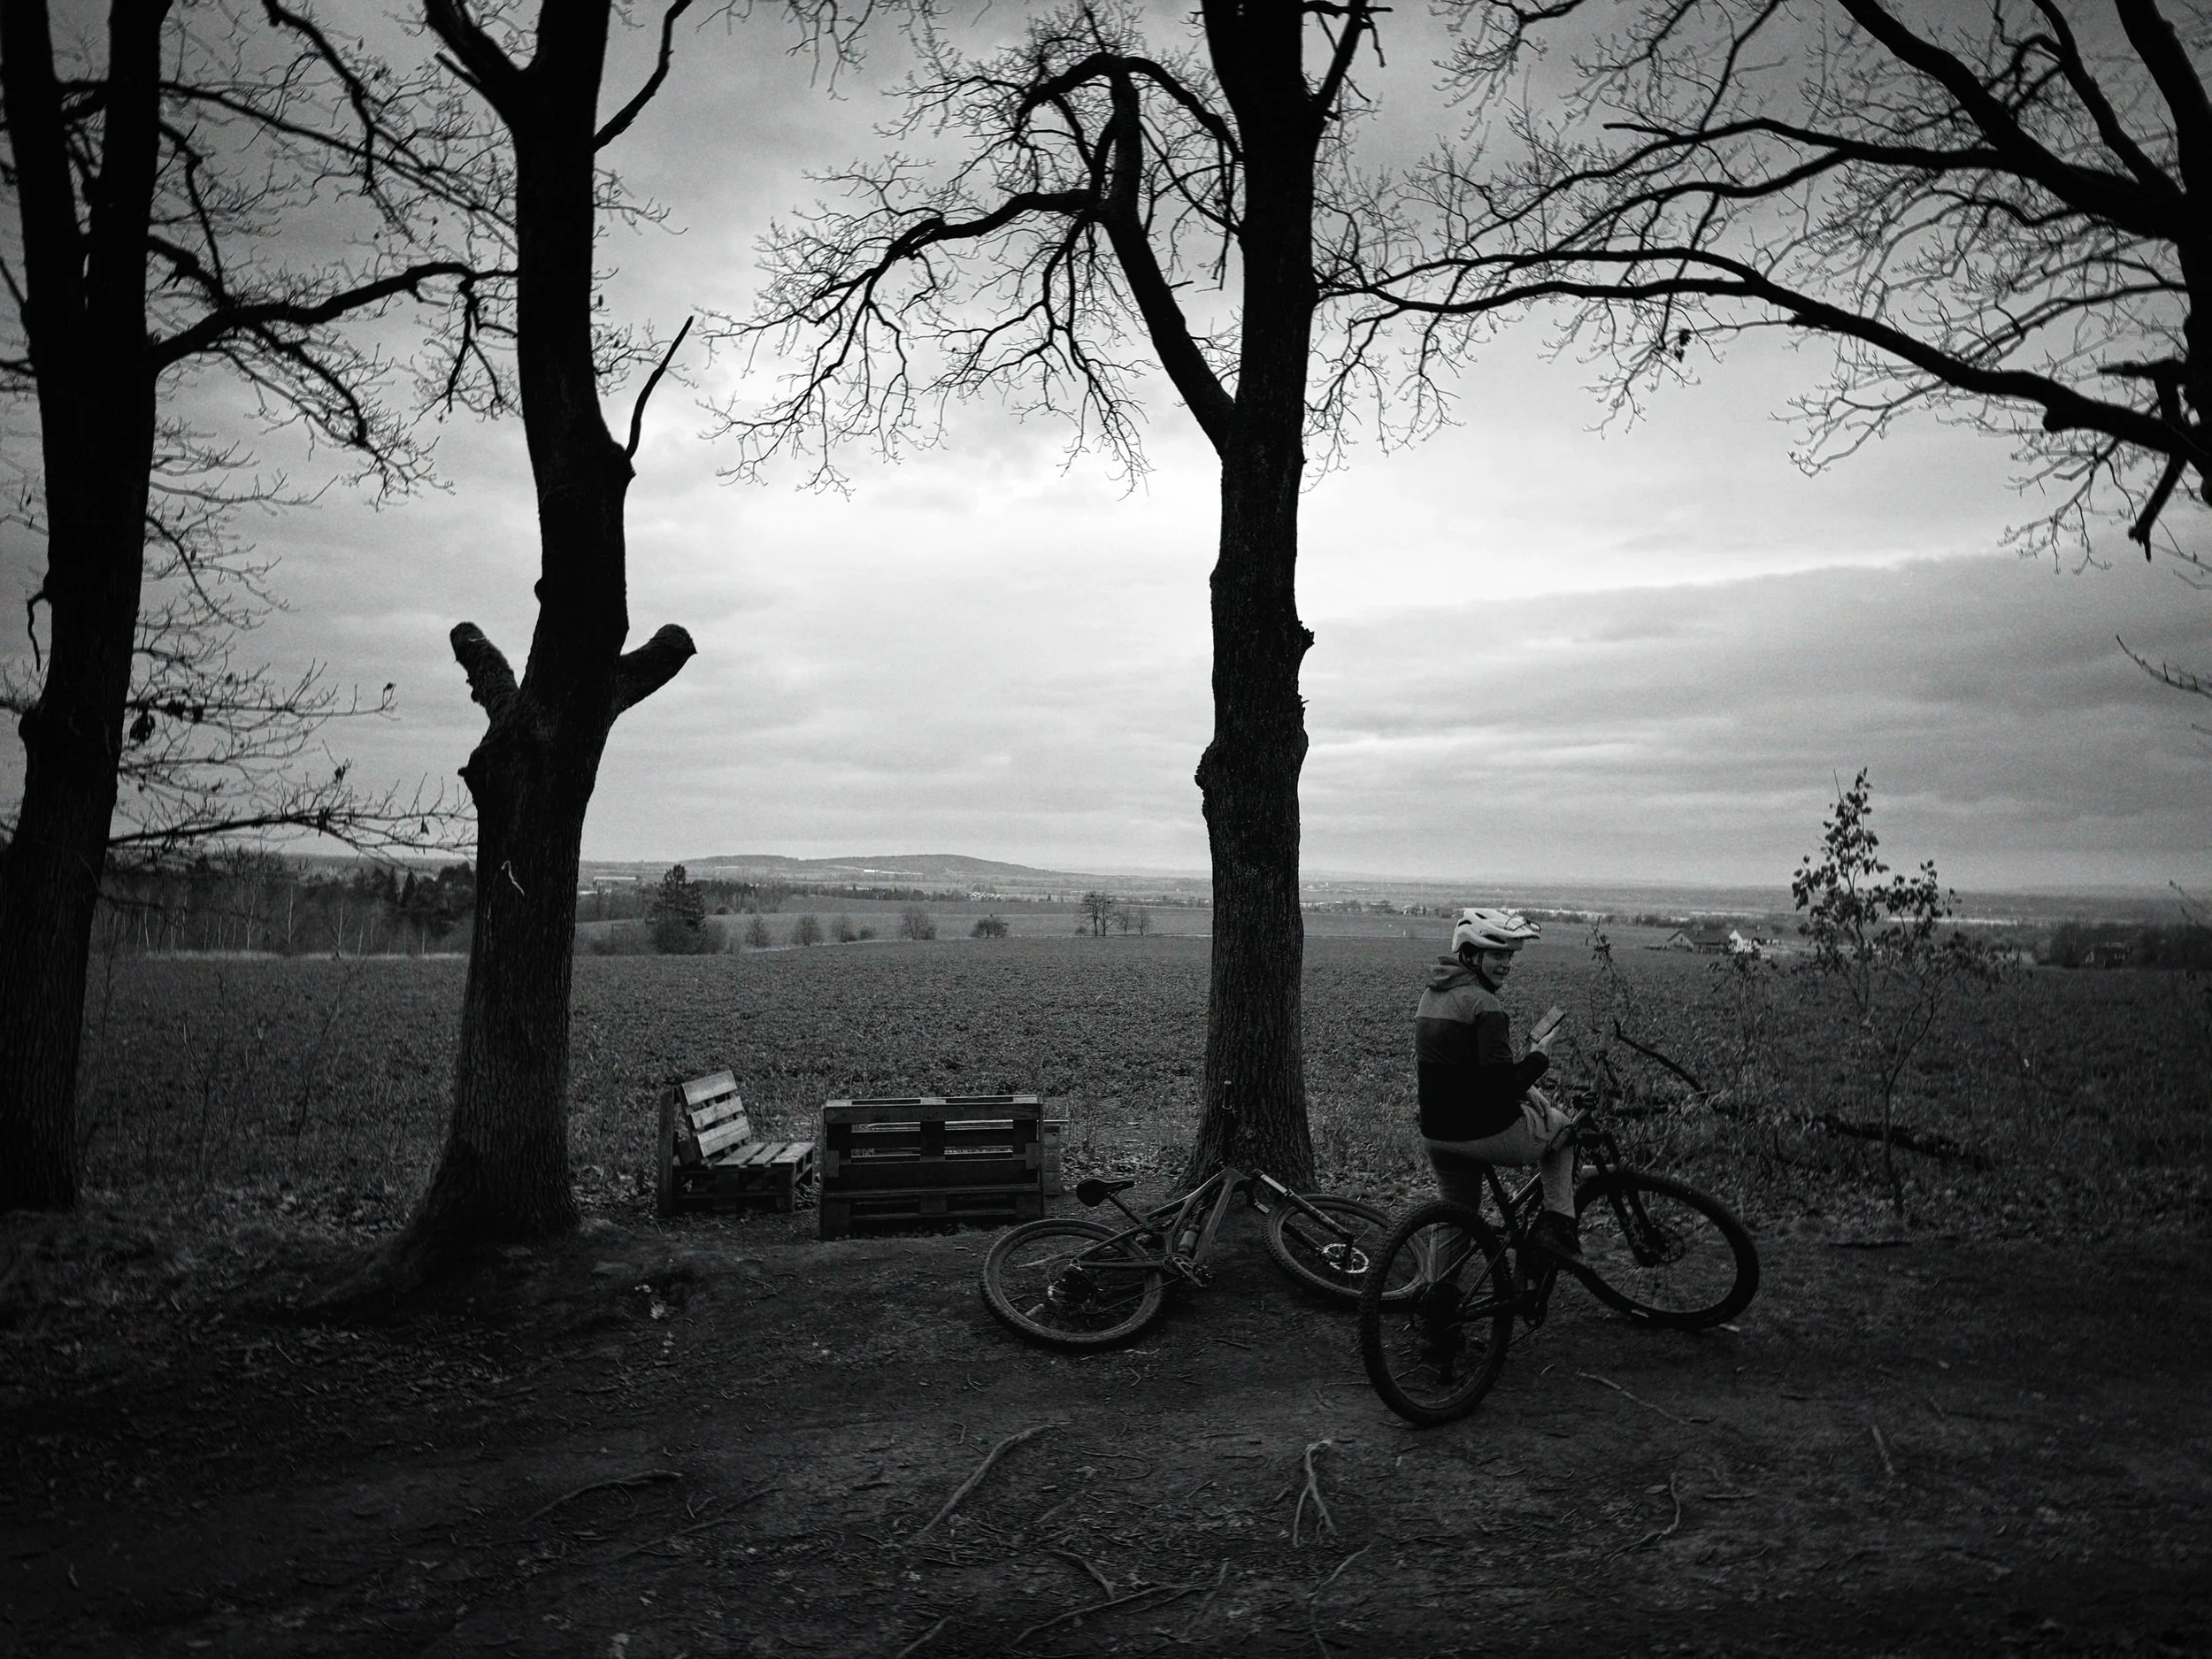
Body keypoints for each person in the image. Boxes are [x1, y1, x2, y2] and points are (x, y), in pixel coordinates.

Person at [1414, 907, 1586, 1265]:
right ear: (1470, 955)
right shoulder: (1485, 1004)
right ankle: (1557, 1229)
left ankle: (1436, 1292)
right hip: (1484, 1131)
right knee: (1564, 1130)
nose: (1506, 964)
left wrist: (1524, 1088)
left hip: (1437, 1133)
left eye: (1509, 956)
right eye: (1496, 955)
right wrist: (1539, 1057)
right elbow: (1500, 1087)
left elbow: (1466, 1073)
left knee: (1458, 1212)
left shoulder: (1431, 996)